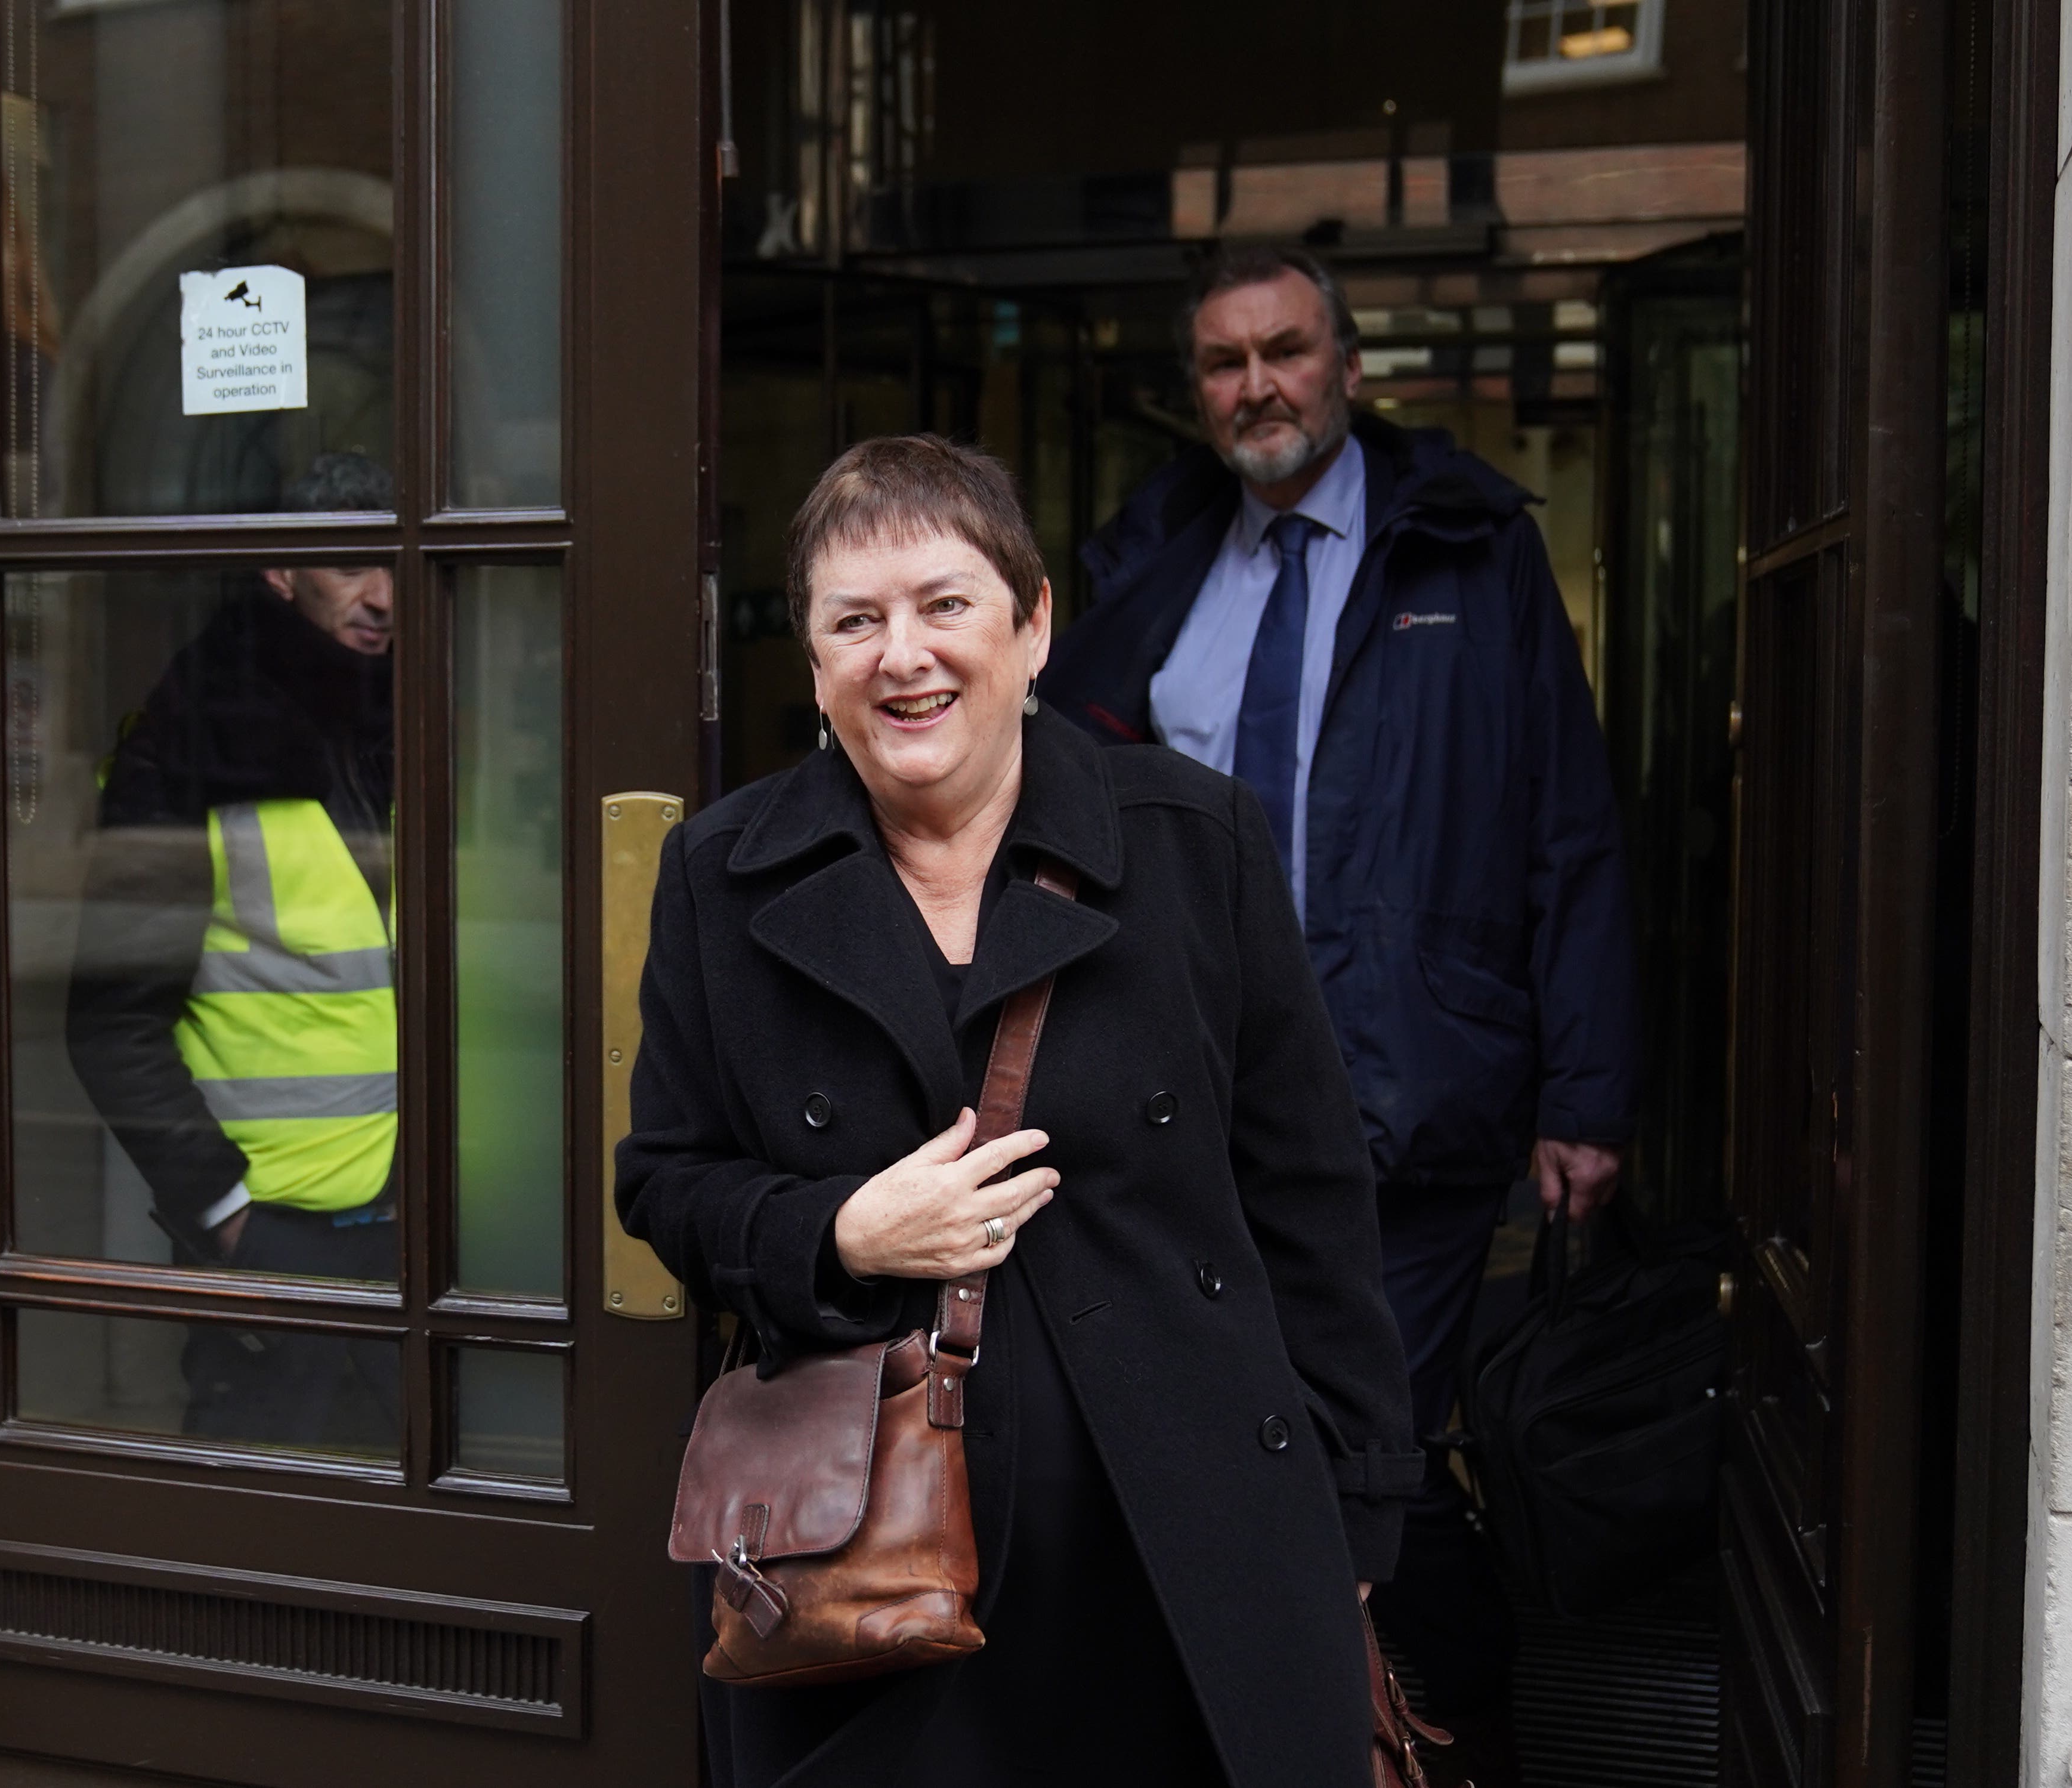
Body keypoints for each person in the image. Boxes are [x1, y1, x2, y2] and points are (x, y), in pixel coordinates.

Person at [617, 435, 1421, 1788]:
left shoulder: (1190, 841)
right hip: (872, 1585)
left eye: (945, 605)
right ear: (815, 666)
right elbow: (666, 1182)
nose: (903, 654)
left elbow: (1312, 1201)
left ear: (1033, 625)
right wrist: (840, 1234)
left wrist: (1348, 1528)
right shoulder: (722, 876)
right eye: (854, 621)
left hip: (1195, 1546)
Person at [1041, 243, 1641, 1783]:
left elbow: (1566, 823)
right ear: (1199, 394)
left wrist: (1587, 1088)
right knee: (1236, 1431)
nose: (1260, 386)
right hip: (1188, 1090)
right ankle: (1317, 1724)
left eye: (1287, 351)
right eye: (1227, 363)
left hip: (1412, 1078)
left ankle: (1440, 1713)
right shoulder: (1149, 568)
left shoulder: (1467, 548)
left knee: (1362, 1435)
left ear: (1351, 366)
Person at [66, 450, 400, 1452]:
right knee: (270, 1527)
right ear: (279, 575)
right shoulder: (191, 741)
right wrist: (224, 1215)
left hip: (425, 1221)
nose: (382, 596)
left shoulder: (418, 724)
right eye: (349, 566)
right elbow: (112, 1021)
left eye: (393, 562)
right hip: (274, 1231)